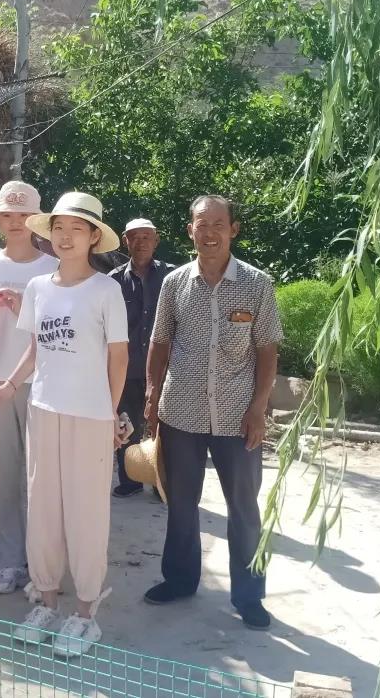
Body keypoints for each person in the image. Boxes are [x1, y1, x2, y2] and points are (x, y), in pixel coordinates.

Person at [0, 191, 130, 657]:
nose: (66, 237)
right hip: (43, 410)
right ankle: (46, 602)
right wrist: (8, 385)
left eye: (77, 229)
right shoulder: (38, 288)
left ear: (93, 237)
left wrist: (110, 413)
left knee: (86, 514)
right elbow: (35, 349)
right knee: (43, 508)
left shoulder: (106, 290)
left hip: (89, 416)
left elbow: (118, 357)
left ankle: (85, 613)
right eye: (59, 228)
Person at [143, 195, 282, 631]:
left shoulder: (257, 284)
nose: (209, 233)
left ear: (233, 230)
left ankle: (249, 596)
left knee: (244, 508)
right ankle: (179, 580)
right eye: (201, 224)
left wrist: (259, 408)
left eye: (218, 224)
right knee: (181, 504)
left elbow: (268, 350)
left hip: (238, 416)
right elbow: (160, 342)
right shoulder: (175, 283)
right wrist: (151, 394)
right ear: (190, 230)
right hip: (180, 412)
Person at [0, 181, 58, 595]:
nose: (16, 222)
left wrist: (24, 310)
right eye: (8, 215)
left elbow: (59, 331)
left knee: (41, 477)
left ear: (37, 220)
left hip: (45, 384)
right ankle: (10, 560)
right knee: (3, 475)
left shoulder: (53, 268)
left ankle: (44, 565)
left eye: (24, 215)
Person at [108, 218, 175, 497]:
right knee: (127, 423)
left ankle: (163, 485)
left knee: (167, 428)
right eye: (134, 237)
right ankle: (131, 479)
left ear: (156, 240)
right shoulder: (113, 281)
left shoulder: (173, 277)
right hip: (128, 366)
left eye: (147, 237)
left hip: (166, 368)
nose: (141, 242)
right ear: (126, 241)